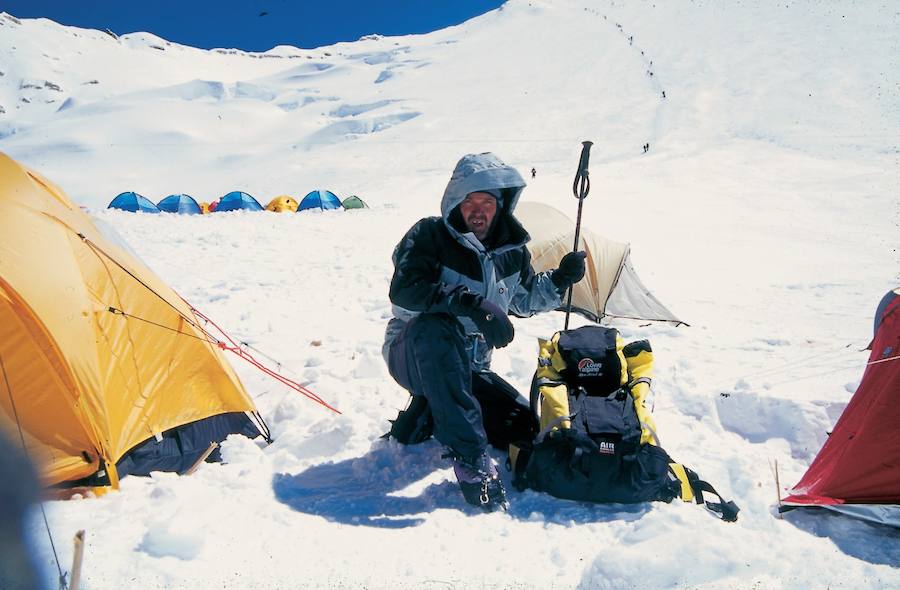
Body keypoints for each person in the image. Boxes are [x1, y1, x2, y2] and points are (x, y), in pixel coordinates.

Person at [382, 152, 586, 510]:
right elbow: (405, 292)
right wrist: (470, 304)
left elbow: (523, 300)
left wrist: (559, 279)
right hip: (412, 352)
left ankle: (429, 412)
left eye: (487, 202)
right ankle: (471, 460)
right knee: (436, 328)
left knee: (522, 426)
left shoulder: (511, 251)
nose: (478, 210)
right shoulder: (429, 234)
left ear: (502, 205)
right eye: (470, 200)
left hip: (471, 368)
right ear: (455, 202)